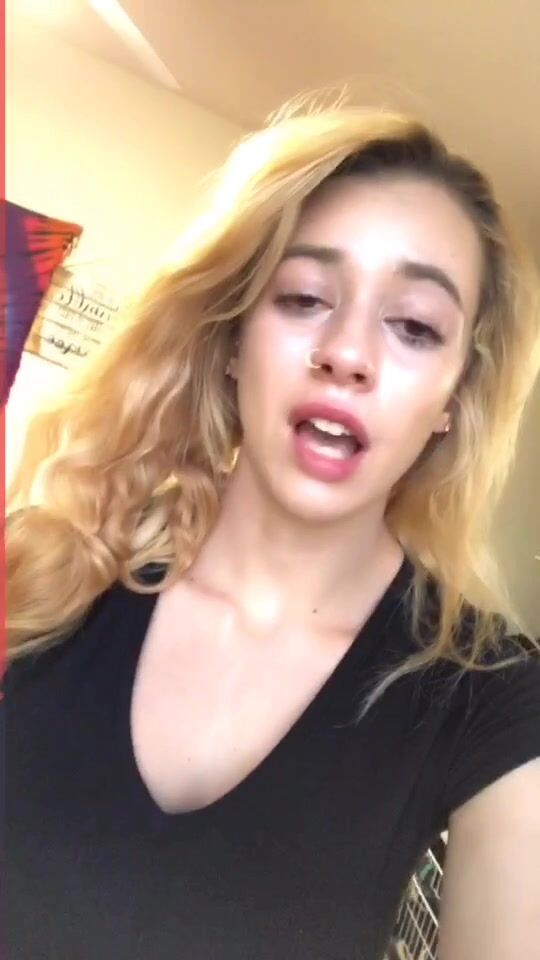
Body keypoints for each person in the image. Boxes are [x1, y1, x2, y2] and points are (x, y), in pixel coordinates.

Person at [3, 100, 540, 960]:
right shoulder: (42, 565)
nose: (348, 353)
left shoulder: (492, 700)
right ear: (231, 339)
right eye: (303, 297)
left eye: (413, 326)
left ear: (453, 398)